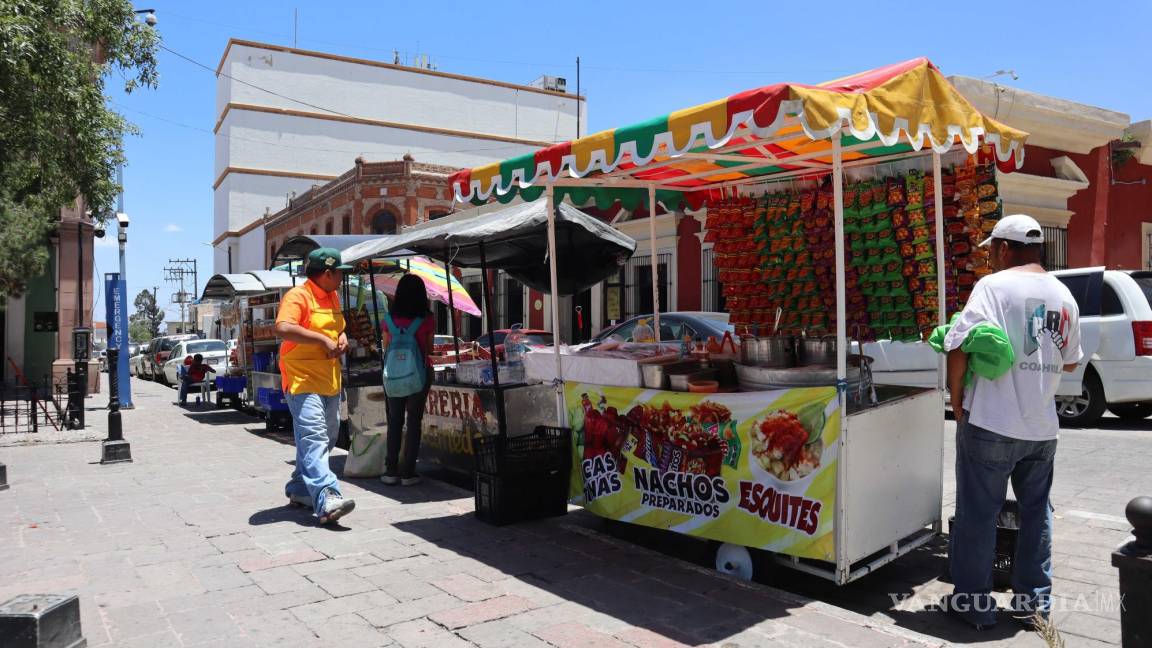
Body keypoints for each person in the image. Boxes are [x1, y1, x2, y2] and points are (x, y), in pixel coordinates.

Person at [943, 214, 1082, 630]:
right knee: (1037, 516)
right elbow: (1071, 362)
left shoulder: (993, 287)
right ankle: (1034, 606)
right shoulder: (1065, 294)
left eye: (992, 251)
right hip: (1042, 428)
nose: (991, 258)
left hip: (991, 421)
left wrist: (956, 399)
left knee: (977, 516)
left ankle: (974, 605)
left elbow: (959, 343)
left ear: (1004, 248)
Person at [274, 247, 356, 524]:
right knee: (315, 438)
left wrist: (341, 336)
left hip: (329, 379)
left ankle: (299, 489)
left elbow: (338, 326)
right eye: (340, 274)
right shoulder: (298, 296)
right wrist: (321, 340)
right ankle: (327, 497)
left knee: (328, 436)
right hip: (301, 378)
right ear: (327, 273)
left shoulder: (332, 296)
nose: (342, 279)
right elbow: (283, 327)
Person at [380, 273, 434, 486]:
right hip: (419, 375)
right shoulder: (427, 319)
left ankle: (390, 470)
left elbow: (386, 347)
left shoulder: (388, 320)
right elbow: (429, 349)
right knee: (413, 422)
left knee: (394, 421)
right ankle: (408, 472)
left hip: (393, 375)